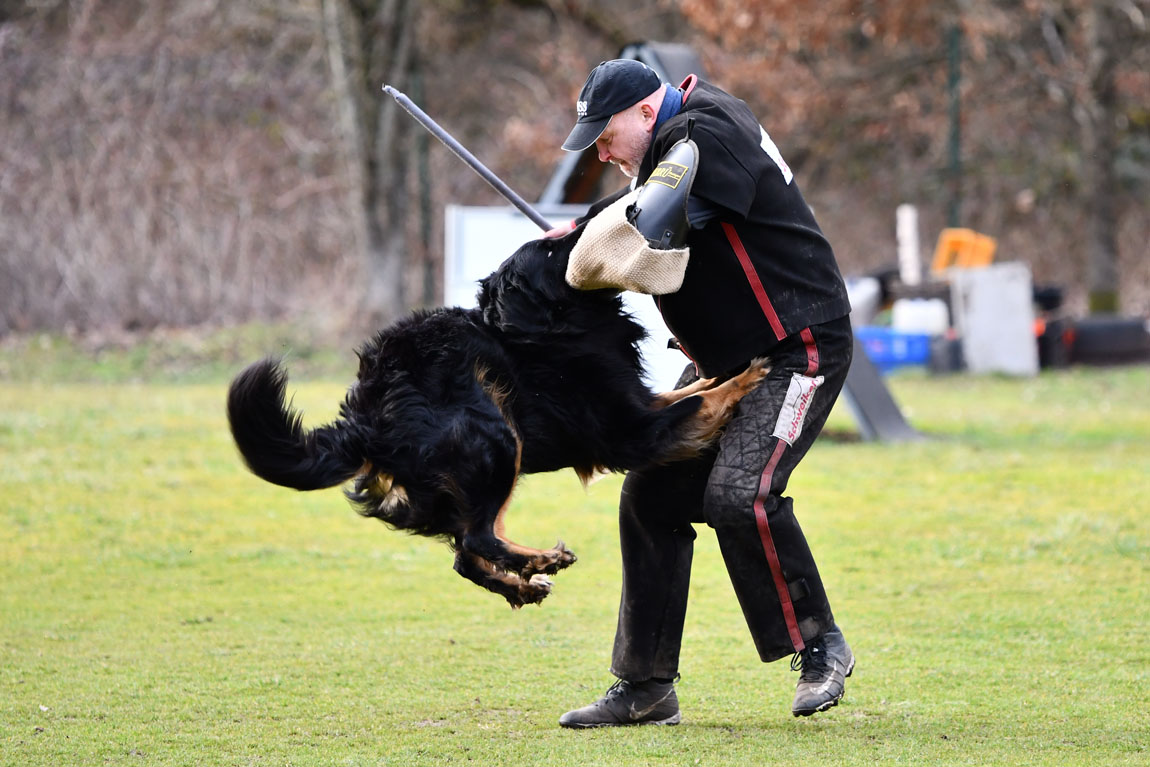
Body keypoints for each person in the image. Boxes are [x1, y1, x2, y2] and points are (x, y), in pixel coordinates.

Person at [547, 59, 857, 727]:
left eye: (606, 137)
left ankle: (820, 645)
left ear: (642, 113)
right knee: (652, 495)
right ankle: (644, 686)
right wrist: (578, 233)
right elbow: (648, 207)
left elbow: (656, 219)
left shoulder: (702, 132)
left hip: (796, 347)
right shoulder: (675, 139)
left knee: (740, 492)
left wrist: (584, 243)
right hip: (727, 359)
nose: (602, 152)